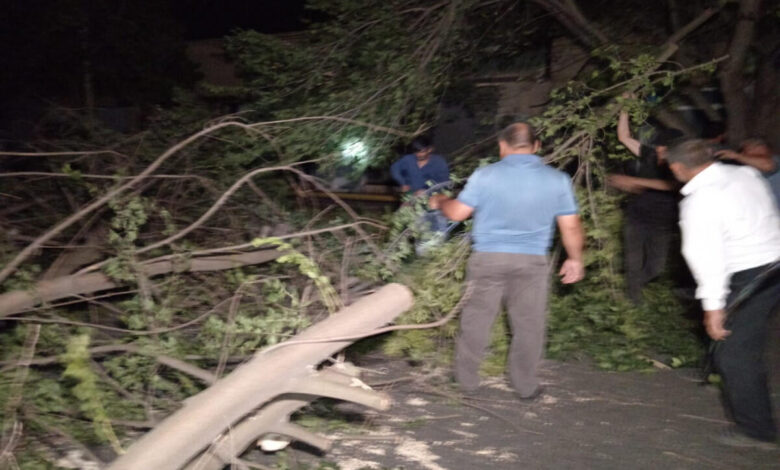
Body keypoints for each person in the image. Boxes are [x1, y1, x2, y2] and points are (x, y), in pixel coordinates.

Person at [428, 122, 585, 399]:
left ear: (502, 146)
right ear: (537, 146)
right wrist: (575, 259)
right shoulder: (557, 180)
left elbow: (457, 213)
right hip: (532, 262)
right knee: (529, 325)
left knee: (476, 320)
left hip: (488, 258)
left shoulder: (485, 175)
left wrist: (440, 201)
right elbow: (570, 226)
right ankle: (525, 386)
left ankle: (466, 382)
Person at [666, 139, 780, 449]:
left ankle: (757, 431)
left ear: (677, 168)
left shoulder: (699, 201)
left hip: (751, 275)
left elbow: (705, 257)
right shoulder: (745, 175)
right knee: (738, 339)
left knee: (736, 352)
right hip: (774, 264)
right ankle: (711, 369)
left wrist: (713, 308)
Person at [608, 109, 683, 303]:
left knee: (655, 268)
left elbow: (671, 185)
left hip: (662, 223)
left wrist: (635, 182)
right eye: (658, 146)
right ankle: (633, 303)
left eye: (663, 148)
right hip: (636, 218)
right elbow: (624, 137)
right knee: (633, 263)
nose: (659, 151)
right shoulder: (649, 154)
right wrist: (624, 109)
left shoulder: (681, 166)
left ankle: (631, 286)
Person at [716, 137, 780, 207]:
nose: (743, 154)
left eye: (761, 156)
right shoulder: (742, 171)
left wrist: (736, 156)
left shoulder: (775, 160)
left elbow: (768, 165)